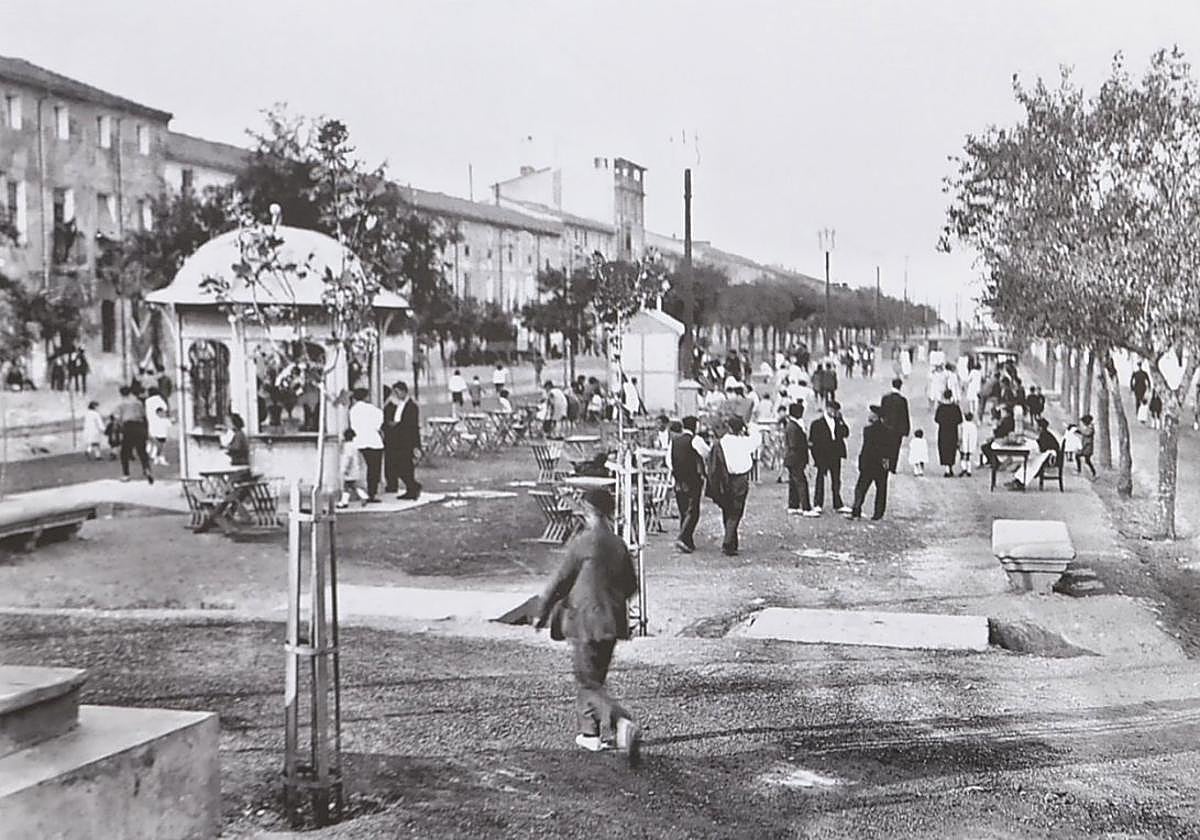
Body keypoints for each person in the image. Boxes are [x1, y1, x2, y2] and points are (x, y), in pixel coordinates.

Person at [534, 487, 642, 766]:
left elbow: (561, 581)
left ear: (589, 511)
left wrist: (542, 613)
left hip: (585, 620)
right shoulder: (618, 544)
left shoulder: (583, 542)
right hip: (612, 622)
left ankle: (620, 721)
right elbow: (632, 585)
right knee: (595, 678)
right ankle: (590, 734)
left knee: (587, 680)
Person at [706, 417, 759, 556]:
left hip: (725, 479)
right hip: (740, 479)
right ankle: (728, 543)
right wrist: (749, 428)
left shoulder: (722, 442)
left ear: (729, 427)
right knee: (736, 511)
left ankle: (732, 541)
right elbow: (757, 439)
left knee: (727, 510)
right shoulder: (745, 442)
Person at [847, 405, 891, 521]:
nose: (869, 415)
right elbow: (889, 450)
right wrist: (886, 464)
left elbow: (866, 449)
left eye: (871, 414)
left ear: (876, 416)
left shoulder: (868, 430)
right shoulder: (887, 431)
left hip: (869, 465)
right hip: (881, 465)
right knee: (881, 490)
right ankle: (878, 514)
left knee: (860, 488)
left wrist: (861, 462)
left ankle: (856, 511)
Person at [671, 416, 708, 553]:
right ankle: (682, 538)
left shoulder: (674, 442)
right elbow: (707, 453)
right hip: (692, 480)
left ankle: (688, 541)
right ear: (694, 426)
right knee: (693, 511)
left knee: (683, 511)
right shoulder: (696, 440)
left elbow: (669, 461)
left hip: (678, 479)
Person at [809, 400, 850, 514]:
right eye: (832, 410)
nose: (834, 412)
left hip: (835, 454)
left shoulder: (837, 422)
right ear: (827, 409)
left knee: (836, 479)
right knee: (820, 479)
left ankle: (838, 503)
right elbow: (813, 442)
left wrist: (841, 420)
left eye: (836, 410)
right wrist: (816, 457)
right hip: (823, 454)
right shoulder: (817, 424)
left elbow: (846, 433)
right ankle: (818, 503)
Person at [383, 381, 422, 500]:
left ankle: (412, 488)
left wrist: (397, 425)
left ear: (404, 392)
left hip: (406, 440)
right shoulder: (394, 405)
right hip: (395, 440)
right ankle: (408, 486)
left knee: (405, 466)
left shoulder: (412, 406)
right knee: (395, 465)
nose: (396, 394)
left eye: (397, 392)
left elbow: (411, 425)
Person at [348, 388, 384, 502]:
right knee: (374, 470)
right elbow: (378, 423)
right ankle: (372, 493)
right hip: (374, 442)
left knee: (359, 469)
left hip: (359, 441)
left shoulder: (352, 410)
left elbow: (353, 426)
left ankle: (356, 492)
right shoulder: (373, 409)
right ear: (366, 397)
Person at [113, 386, 153, 484]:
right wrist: (146, 431)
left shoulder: (120, 404)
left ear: (121, 393)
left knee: (124, 452)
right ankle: (147, 469)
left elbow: (117, 419)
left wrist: (118, 430)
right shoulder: (138, 403)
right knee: (142, 451)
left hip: (128, 427)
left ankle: (126, 474)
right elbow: (144, 416)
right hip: (139, 427)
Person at [784, 402, 817, 517]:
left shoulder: (792, 425)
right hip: (796, 458)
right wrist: (807, 445)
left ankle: (793, 505)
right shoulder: (794, 427)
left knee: (794, 483)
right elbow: (794, 444)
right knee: (801, 482)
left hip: (792, 459)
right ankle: (806, 507)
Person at [880, 378, 911, 475]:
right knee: (895, 448)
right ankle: (892, 467)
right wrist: (906, 429)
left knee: (885, 448)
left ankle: (885, 466)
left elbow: (882, 413)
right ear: (900, 386)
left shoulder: (885, 398)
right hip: (897, 429)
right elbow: (905, 416)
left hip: (886, 427)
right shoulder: (902, 400)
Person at [934, 389, 964, 478]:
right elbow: (960, 420)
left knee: (944, 448)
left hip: (943, 431)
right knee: (952, 448)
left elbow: (936, 419)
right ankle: (950, 466)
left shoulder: (941, 408)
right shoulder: (955, 407)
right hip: (953, 431)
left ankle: (947, 468)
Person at [337, 429, 367, 509]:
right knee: (352, 486)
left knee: (347, 487)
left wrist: (345, 469)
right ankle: (362, 496)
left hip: (350, 470)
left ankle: (344, 502)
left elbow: (347, 458)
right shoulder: (354, 446)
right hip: (354, 468)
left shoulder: (347, 446)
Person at [982, 406, 1016, 470]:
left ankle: (994, 462)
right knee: (986, 446)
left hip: (1002, 439)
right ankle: (992, 461)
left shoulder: (1006, 420)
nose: (1001, 413)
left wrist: (995, 430)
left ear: (1006, 412)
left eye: (1002, 411)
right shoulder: (1009, 419)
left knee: (986, 447)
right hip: (1003, 437)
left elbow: (1001, 432)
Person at [144, 386, 171, 467]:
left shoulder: (147, 401)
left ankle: (155, 455)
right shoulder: (160, 400)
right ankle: (160, 456)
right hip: (161, 422)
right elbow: (165, 409)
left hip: (151, 422)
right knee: (162, 441)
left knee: (154, 440)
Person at [958, 411, 979, 477]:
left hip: (964, 442)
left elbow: (960, 434)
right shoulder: (973, 426)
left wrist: (959, 441)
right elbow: (975, 435)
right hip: (971, 443)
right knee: (968, 456)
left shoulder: (963, 425)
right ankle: (969, 470)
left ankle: (963, 468)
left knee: (962, 455)